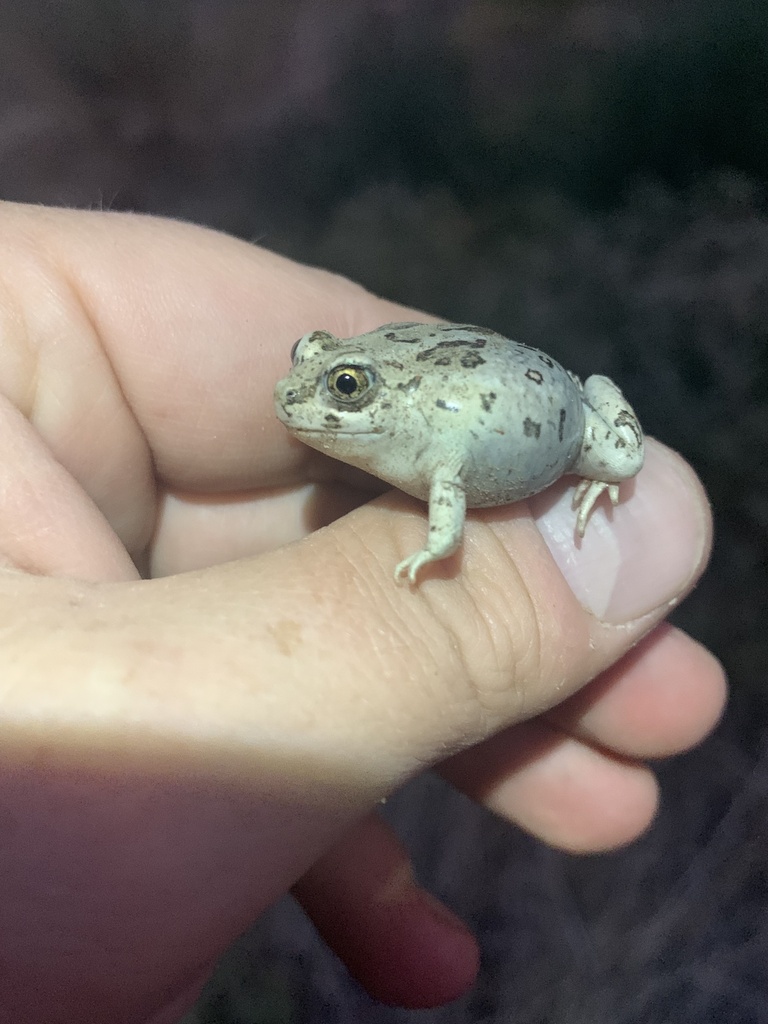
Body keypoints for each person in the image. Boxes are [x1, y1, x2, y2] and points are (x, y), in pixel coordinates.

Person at [0, 203, 726, 1024]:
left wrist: (436, 564)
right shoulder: (397, 430)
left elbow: (446, 507)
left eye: (343, 389)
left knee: (623, 453)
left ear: (378, 396)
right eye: (316, 370)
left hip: (563, 417)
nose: (302, 396)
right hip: (506, 386)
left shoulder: (429, 441)